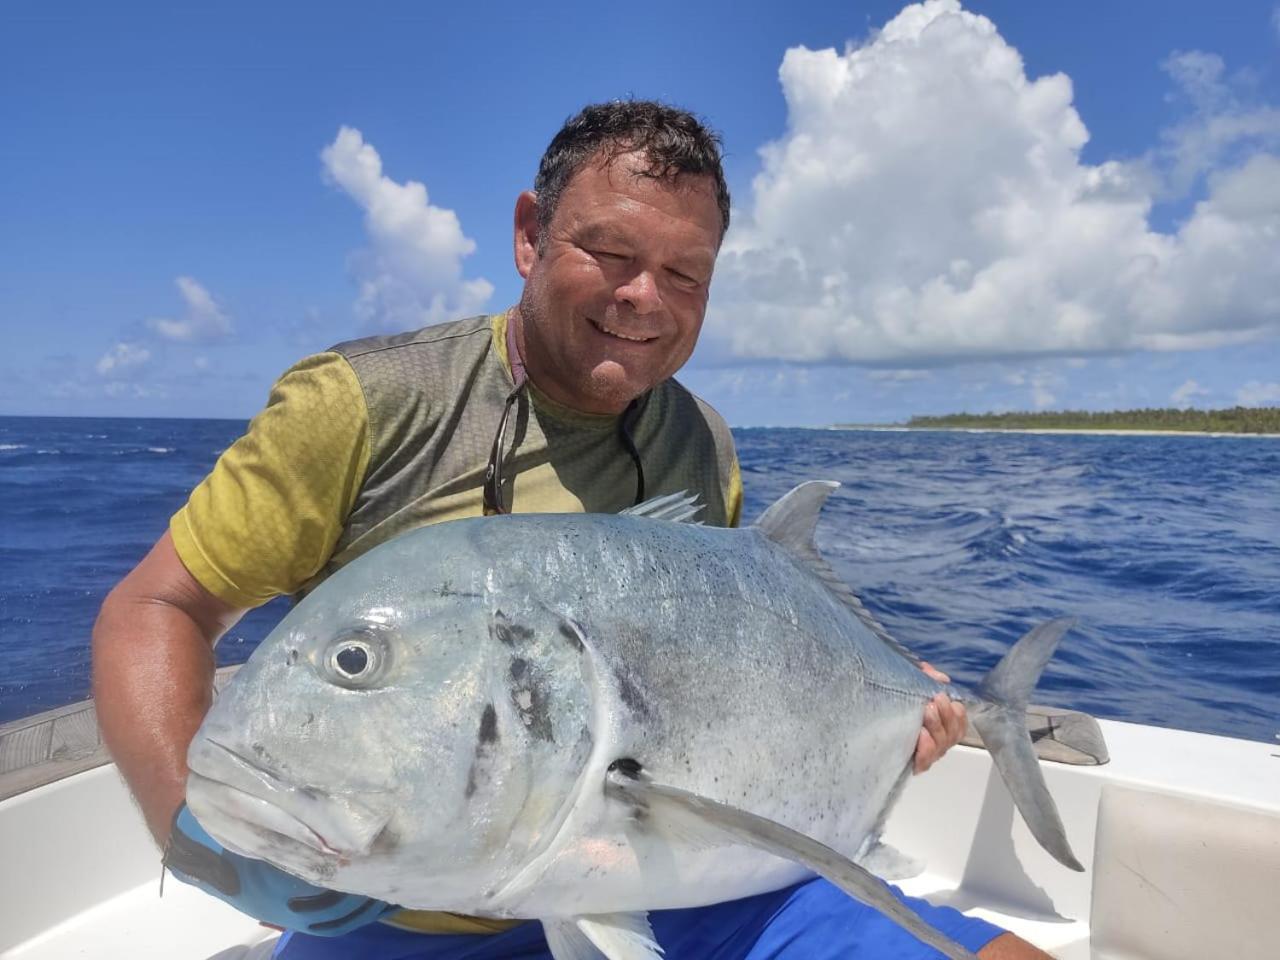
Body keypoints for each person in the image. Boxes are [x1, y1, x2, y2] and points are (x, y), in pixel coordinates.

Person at [92, 101, 1046, 959]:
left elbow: (745, 663)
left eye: (685, 274)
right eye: (610, 253)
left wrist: (881, 720)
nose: (645, 298)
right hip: (397, 915)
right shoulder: (365, 406)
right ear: (528, 235)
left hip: (684, 890)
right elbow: (155, 607)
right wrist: (204, 840)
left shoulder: (700, 441)